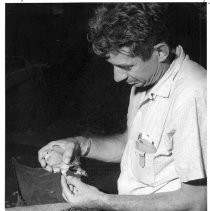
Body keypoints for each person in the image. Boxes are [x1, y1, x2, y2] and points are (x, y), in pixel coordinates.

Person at [38, 3, 207, 211]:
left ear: (160, 52)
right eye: (114, 66)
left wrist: (103, 202)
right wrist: (79, 145)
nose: (117, 77)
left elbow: (199, 201)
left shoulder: (193, 94)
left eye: (126, 67)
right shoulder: (148, 78)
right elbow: (131, 144)